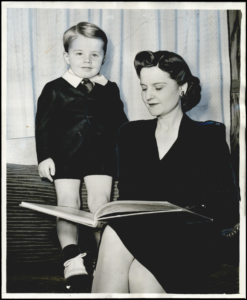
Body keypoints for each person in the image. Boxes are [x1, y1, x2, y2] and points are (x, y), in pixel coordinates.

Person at [92, 50, 240, 293]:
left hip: (190, 238)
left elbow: (225, 207)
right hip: (143, 234)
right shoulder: (130, 135)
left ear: (182, 87)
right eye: (143, 88)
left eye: (158, 88)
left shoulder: (208, 136)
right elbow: (128, 198)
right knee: (130, 257)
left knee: (129, 255)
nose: (148, 96)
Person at [35, 22, 128, 284]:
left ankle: (106, 260)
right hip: (65, 155)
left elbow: (121, 125)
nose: (87, 60)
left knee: (101, 206)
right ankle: (72, 258)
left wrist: (128, 155)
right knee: (67, 205)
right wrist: (44, 156)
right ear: (66, 56)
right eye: (79, 54)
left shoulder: (110, 88)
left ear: (104, 58)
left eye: (95, 55)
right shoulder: (54, 88)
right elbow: (43, 125)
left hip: (102, 156)